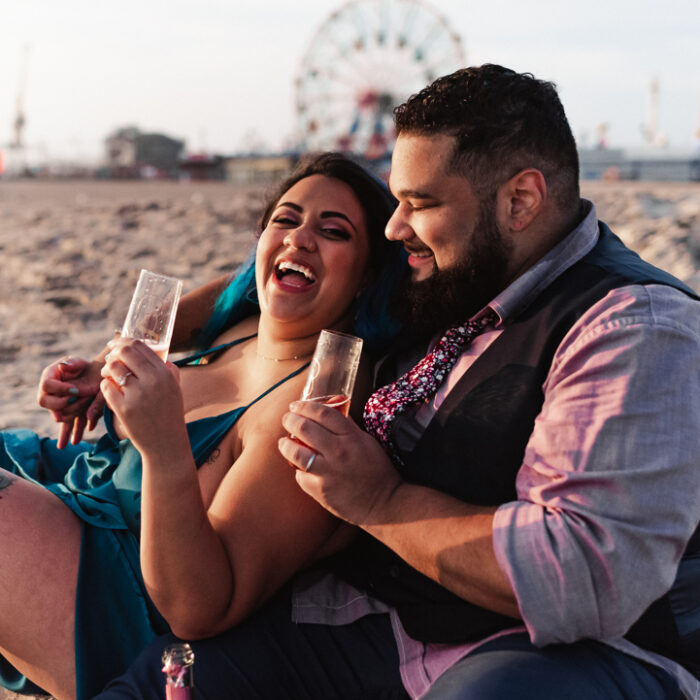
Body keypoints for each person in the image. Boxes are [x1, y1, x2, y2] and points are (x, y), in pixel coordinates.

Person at [96, 65, 700, 700]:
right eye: (396, 200)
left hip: (541, 655)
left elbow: (584, 579)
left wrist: (380, 503)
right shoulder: (455, 271)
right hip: (370, 621)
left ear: (521, 200)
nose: (395, 227)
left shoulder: (632, 327)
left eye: (421, 203)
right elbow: (274, 270)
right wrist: (163, 332)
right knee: (165, 681)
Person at [0, 153, 404, 700]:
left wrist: (166, 447)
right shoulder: (241, 321)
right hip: (76, 489)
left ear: (368, 276)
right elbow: (220, 291)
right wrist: (99, 374)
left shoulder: (315, 409)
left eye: (333, 231)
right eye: (285, 220)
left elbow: (202, 609)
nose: (300, 239)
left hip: (113, 597)